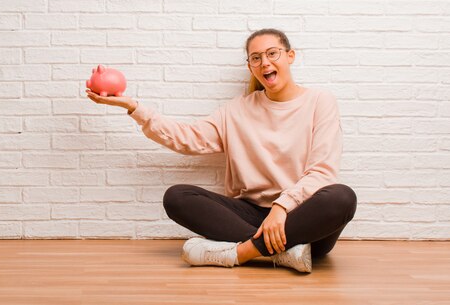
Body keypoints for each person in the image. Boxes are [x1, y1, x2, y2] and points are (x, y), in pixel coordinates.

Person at [85, 28, 357, 273]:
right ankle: (286, 253)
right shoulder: (237, 110)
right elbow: (187, 139)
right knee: (177, 196)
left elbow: (322, 171)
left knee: (342, 197)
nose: (265, 62)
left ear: (290, 56)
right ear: (250, 66)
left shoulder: (320, 101)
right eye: (256, 57)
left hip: (301, 217)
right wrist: (133, 107)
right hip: (250, 215)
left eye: (272, 53)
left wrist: (281, 208)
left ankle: (243, 253)